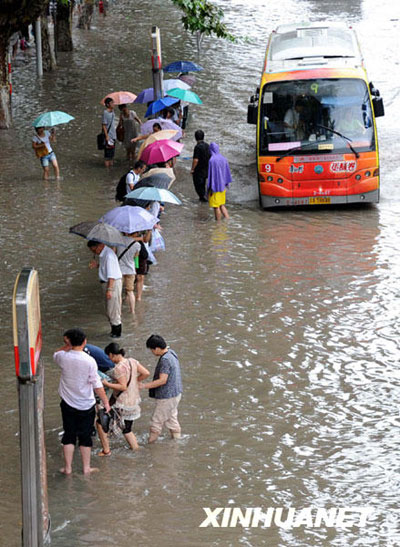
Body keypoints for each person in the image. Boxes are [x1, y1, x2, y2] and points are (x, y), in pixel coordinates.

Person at [53, 327, 111, 474]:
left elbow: (56, 353)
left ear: (69, 342)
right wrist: (106, 402)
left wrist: (67, 345)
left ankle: (68, 468)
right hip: (86, 404)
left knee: (69, 435)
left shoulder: (63, 357)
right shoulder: (90, 361)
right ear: (85, 342)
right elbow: (97, 385)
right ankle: (86, 468)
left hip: (67, 403)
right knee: (85, 436)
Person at [96, 343, 150, 455]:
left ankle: (106, 450)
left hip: (122, 403)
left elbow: (123, 386)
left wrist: (107, 384)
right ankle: (136, 450)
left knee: (100, 422)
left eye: (109, 357)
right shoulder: (132, 361)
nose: (110, 359)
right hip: (133, 401)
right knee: (127, 429)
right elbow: (146, 373)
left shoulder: (119, 368)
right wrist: (135, 382)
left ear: (112, 354)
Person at [139, 334, 183, 443]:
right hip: (176, 393)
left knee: (156, 422)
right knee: (171, 418)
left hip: (167, 396)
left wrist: (144, 385)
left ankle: (150, 445)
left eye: (152, 350)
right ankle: (177, 442)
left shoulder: (165, 360)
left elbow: (163, 380)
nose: (152, 352)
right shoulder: (172, 353)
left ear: (157, 348)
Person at [88, 240, 123, 338]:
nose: (94, 252)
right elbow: (106, 269)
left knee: (113, 310)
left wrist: (109, 290)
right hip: (108, 283)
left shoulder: (109, 256)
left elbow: (111, 274)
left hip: (112, 284)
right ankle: (113, 331)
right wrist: (97, 266)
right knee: (109, 310)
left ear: (100, 246)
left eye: (94, 249)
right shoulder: (104, 254)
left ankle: (116, 334)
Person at [116, 233, 141, 316]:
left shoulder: (118, 241)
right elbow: (135, 256)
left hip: (119, 270)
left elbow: (115, 253)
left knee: (118, 292)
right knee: (130, 291)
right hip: (131, 270)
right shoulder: (137, 244)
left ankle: (119, 312)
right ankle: (132, 311)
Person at [207, 142, 232, 221]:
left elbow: (211, 175)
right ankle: (227, 219)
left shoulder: (212, 160)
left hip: (215, 187)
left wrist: (209, 188)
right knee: (222, 205)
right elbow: (227, 172)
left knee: (216, 206)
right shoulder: (224, 159)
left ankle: (218, 224)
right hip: (222, 186)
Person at [191, 129, 210, 202]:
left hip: (199, 170)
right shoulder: (207, 145)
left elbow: (196, 160)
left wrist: (192, 169)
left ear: (195, 137)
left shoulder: (197, 147)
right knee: (203, 184)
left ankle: (203, 198)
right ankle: (203, 198)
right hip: (206, 169)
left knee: (198, 186)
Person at [102, 97, 116, 168]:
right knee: (107, 155)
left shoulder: (113, 112)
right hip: (108, 136)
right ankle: (107, 168)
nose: (113, 104)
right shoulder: (105, 113)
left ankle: (111, 168)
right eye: (112, 103)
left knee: (112, 154)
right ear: (107, 104)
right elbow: (104, 125)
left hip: (113, 136)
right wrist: (107, 136)